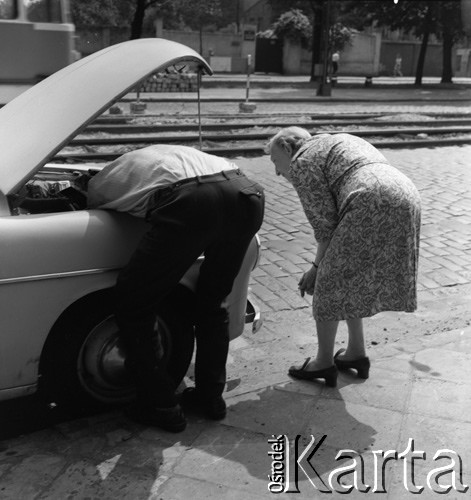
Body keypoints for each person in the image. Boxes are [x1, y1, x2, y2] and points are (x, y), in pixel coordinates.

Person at [88, 145, 265, 432]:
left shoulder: (104, 179)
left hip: (194, 202)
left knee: (135, 301)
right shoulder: (165, 154)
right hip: (247, 192)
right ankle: (211, 397)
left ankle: (159, 404)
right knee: (213, 301)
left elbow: (96, 207)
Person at [267, 127, 420, 387]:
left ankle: (323, 362)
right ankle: (356, 354)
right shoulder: (333, 142)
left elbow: (325, 228)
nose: (277, 172)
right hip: (407, 193)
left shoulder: (303, 161)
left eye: (274, 162)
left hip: (370, 197)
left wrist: (316, 269)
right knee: (350, 278)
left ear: (286, 148)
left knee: (329, 282)